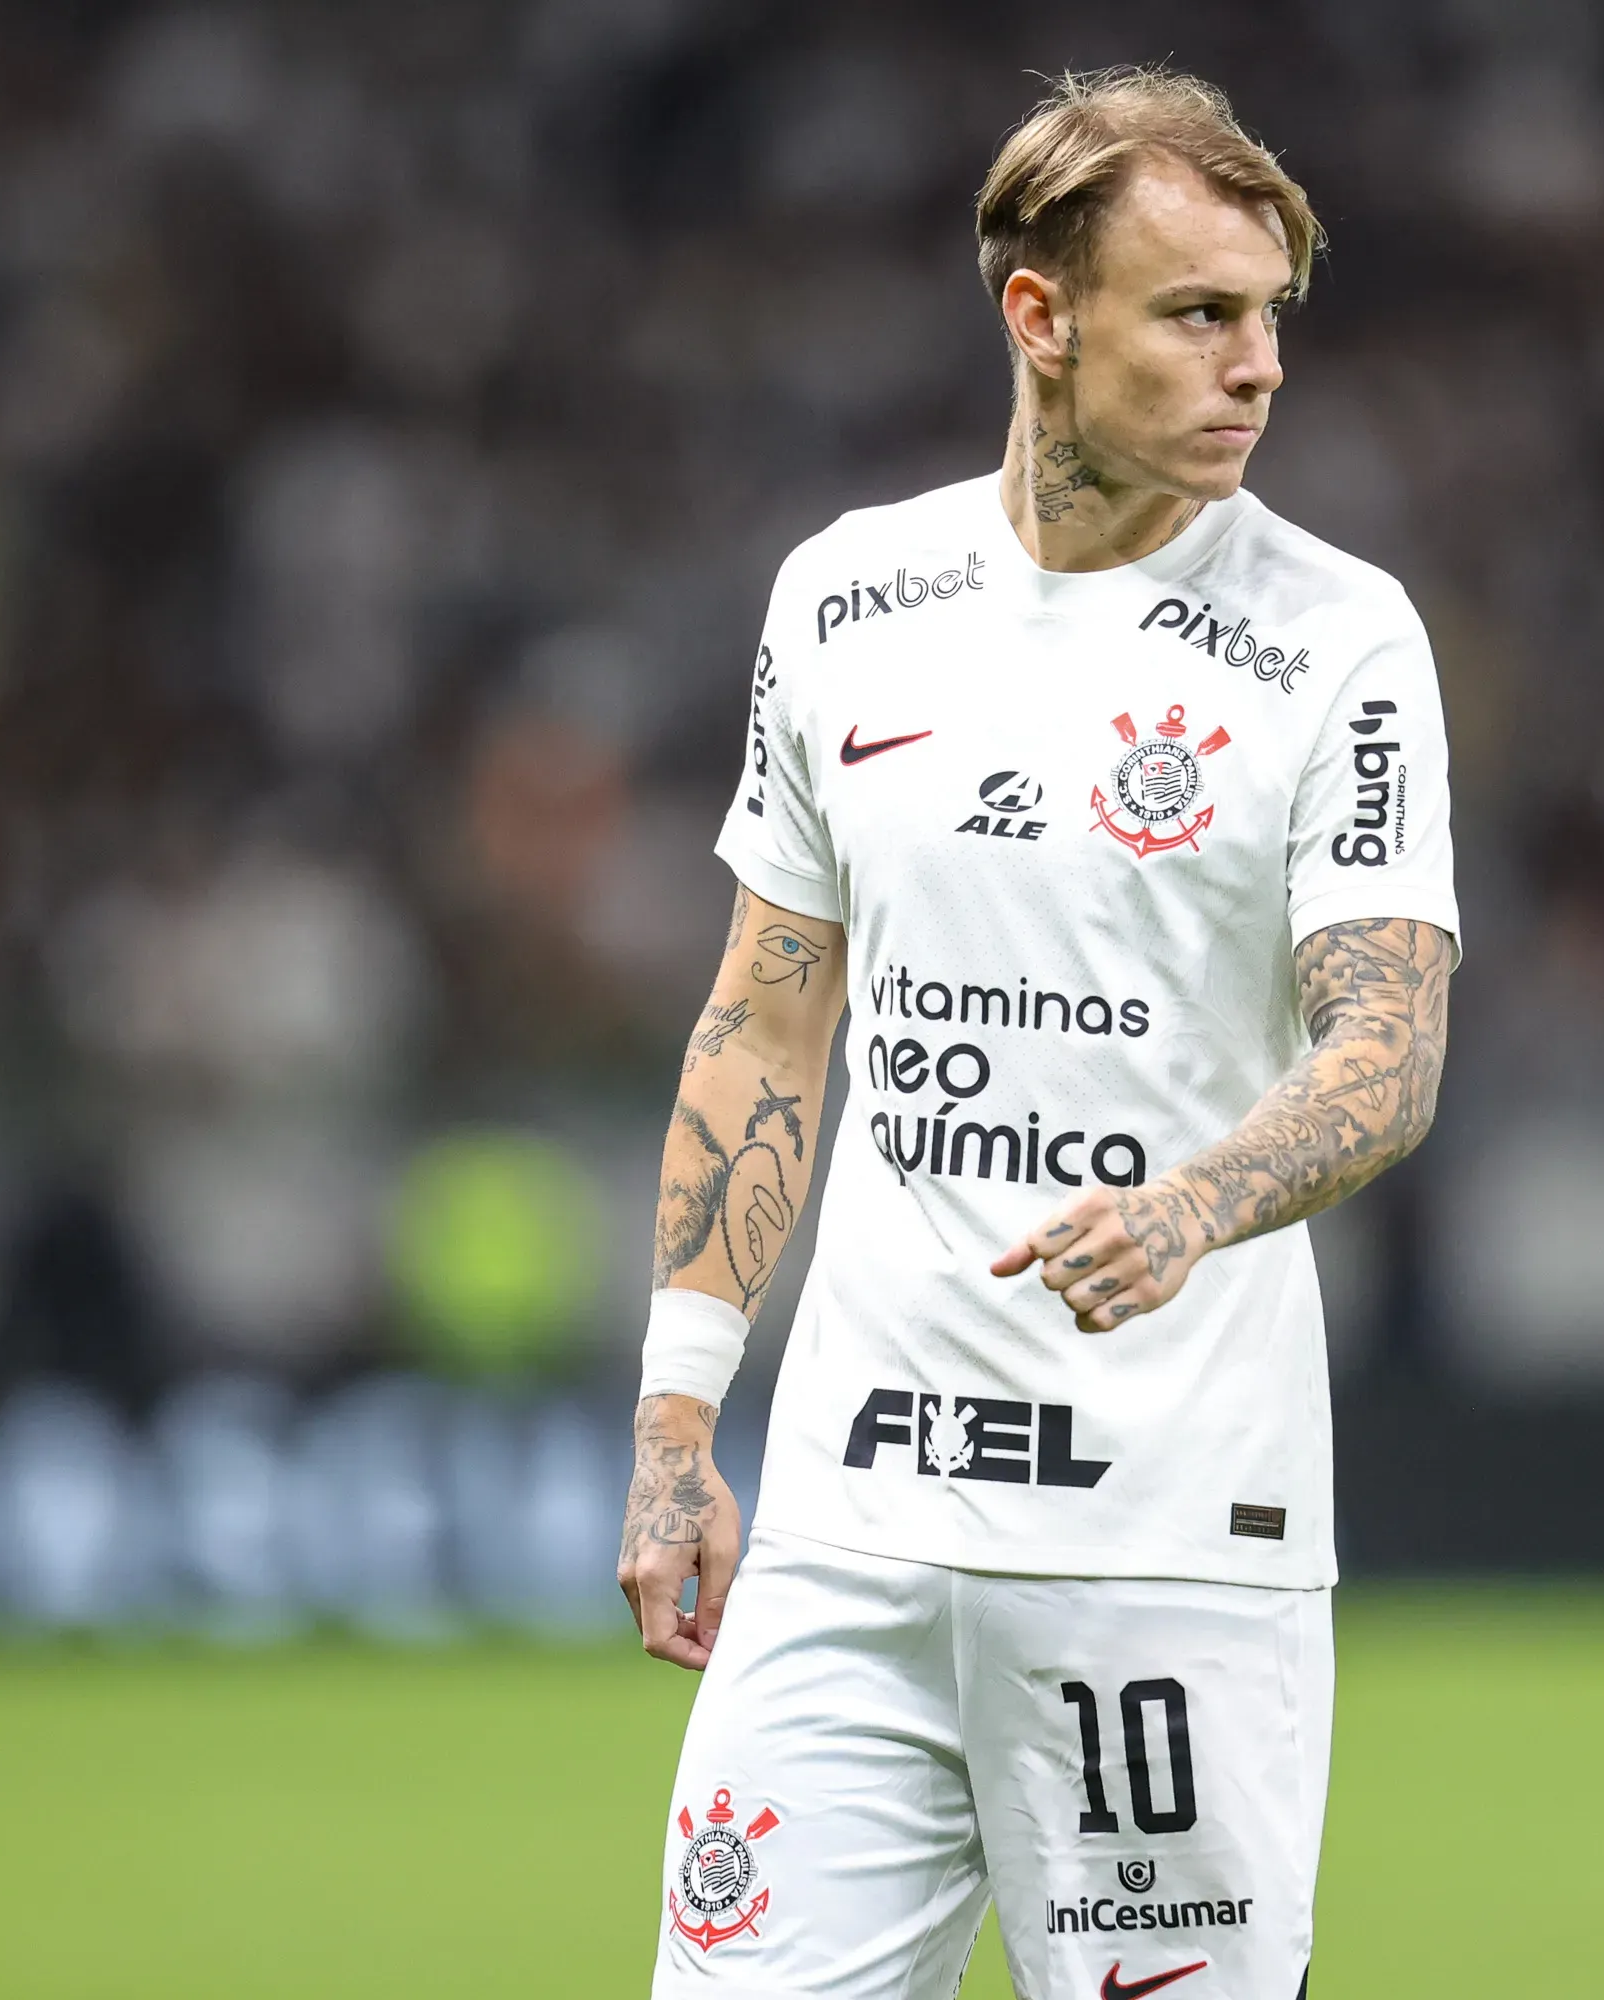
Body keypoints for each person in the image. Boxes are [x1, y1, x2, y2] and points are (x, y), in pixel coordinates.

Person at [621, 66, 1457, 2000]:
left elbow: (1388, 1049)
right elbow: (762, 1027)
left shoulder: (1341, 639)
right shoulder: (847, 601)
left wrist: (1191, 1207)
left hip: (1167, 1539)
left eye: (1270, 319)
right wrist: (678, 1418)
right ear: (1040, 317)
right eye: (1199, 314)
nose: (1257, 367)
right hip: (850, 1522)